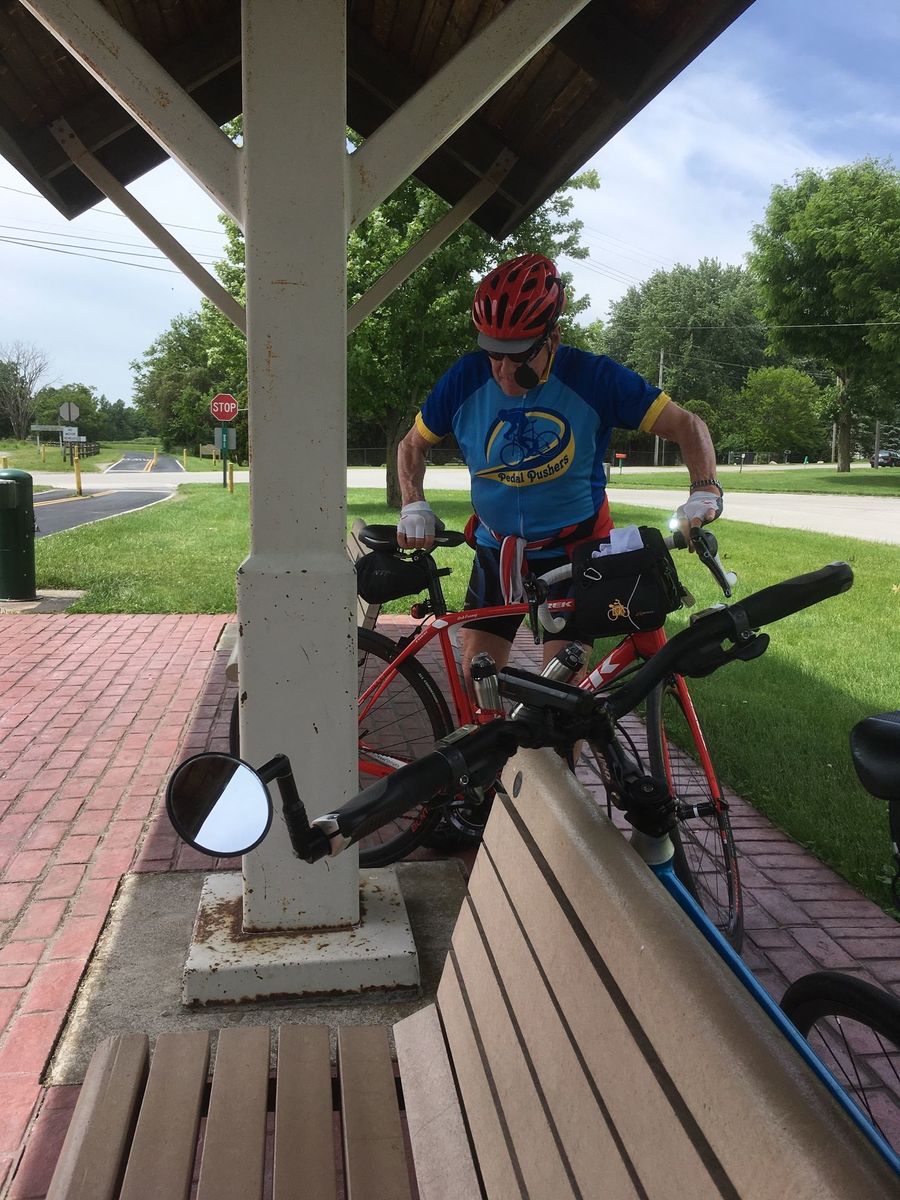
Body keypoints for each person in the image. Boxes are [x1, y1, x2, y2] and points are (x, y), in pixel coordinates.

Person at [396, 252, 723, 687]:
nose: (502, 371)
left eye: (518, 356)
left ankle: (559, 733)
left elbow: (687, 425)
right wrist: (413, 503)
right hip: (498, 550)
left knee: (562, 688)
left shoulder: (593, 377)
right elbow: (412, 445)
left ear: (553, 337)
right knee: (480, 677)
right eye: (493, 353)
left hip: (576, 553)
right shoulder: (466, 378)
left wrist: (705, 489)